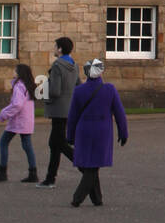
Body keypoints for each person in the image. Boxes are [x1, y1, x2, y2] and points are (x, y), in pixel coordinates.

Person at [66, 58, 128, 207]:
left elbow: (72, 115)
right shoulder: (109, 89)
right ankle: (78, 198)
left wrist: (70, 135)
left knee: (90, 164)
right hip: (102, 130)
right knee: (93, 165)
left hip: (84, 130)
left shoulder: (79, 90)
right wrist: (123, 132)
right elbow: (120, 113)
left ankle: (97, 198)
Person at [38, 36, 78, 188]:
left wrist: (42, 91)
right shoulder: (74, 65)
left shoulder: (57, 65)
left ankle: (84, 166)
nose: (54, 49)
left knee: (58, 143)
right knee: (54, 144)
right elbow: (78, 85)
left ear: (60, 49)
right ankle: (50, 178)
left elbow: (54, 91)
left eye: (55, 46)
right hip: (68, 108)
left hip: (57, 109)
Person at [0, 64, 39, 182]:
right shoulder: (28, 86)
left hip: (18, 121)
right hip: (25, 121)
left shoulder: (19, 86)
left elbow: (17, 104)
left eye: (15, 70)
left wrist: (3, 114)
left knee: (3, 142)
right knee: (27, 146)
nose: (13, 71)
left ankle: (2, 172)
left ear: (20, 72)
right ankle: (33, 173)